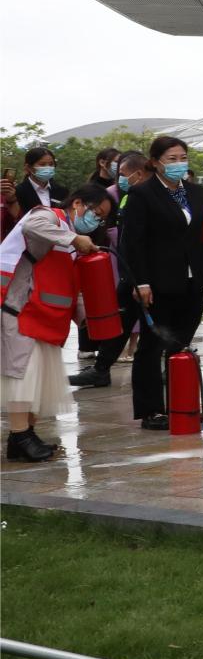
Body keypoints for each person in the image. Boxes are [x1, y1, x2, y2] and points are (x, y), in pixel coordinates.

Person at [118, 136, 203, 430]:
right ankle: (151, 410)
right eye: (171, 158)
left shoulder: (196, 193)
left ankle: (181, 404)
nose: (178, 164)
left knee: (181, 345)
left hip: (192, 280)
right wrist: (141, 282)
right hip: (158, 282)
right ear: (155, 162)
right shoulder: (142, 195)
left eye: (182, 157)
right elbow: (132, 244)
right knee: (153, 345)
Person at [2, 184, 114, 461]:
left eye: (101, 219)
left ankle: (26, 434)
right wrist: (73, 238)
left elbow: (68, 285)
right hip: (19, 307)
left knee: (38, 377)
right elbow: (31, 226)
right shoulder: (49, 216)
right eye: (95, 213)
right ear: (77, 203)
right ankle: (20, 434)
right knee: (23, 373)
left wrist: (87, 317)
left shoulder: (70, 239)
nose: (96, 221)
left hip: (44, 316)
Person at [70, 152, 153, 389]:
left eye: (125, 175)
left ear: (139, 173)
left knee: (152, 325)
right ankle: (101, 368)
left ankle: (159, 369)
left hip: (147, 270)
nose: (121, 180)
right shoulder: (128, 196)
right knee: (121, 319)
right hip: (130, 269)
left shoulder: (152, 196)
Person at [7, 147, 67, 222]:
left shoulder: (62, 191)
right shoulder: (17, 192)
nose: (48, 168)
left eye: (51, 164)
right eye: (42, 164)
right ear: (28, 167)